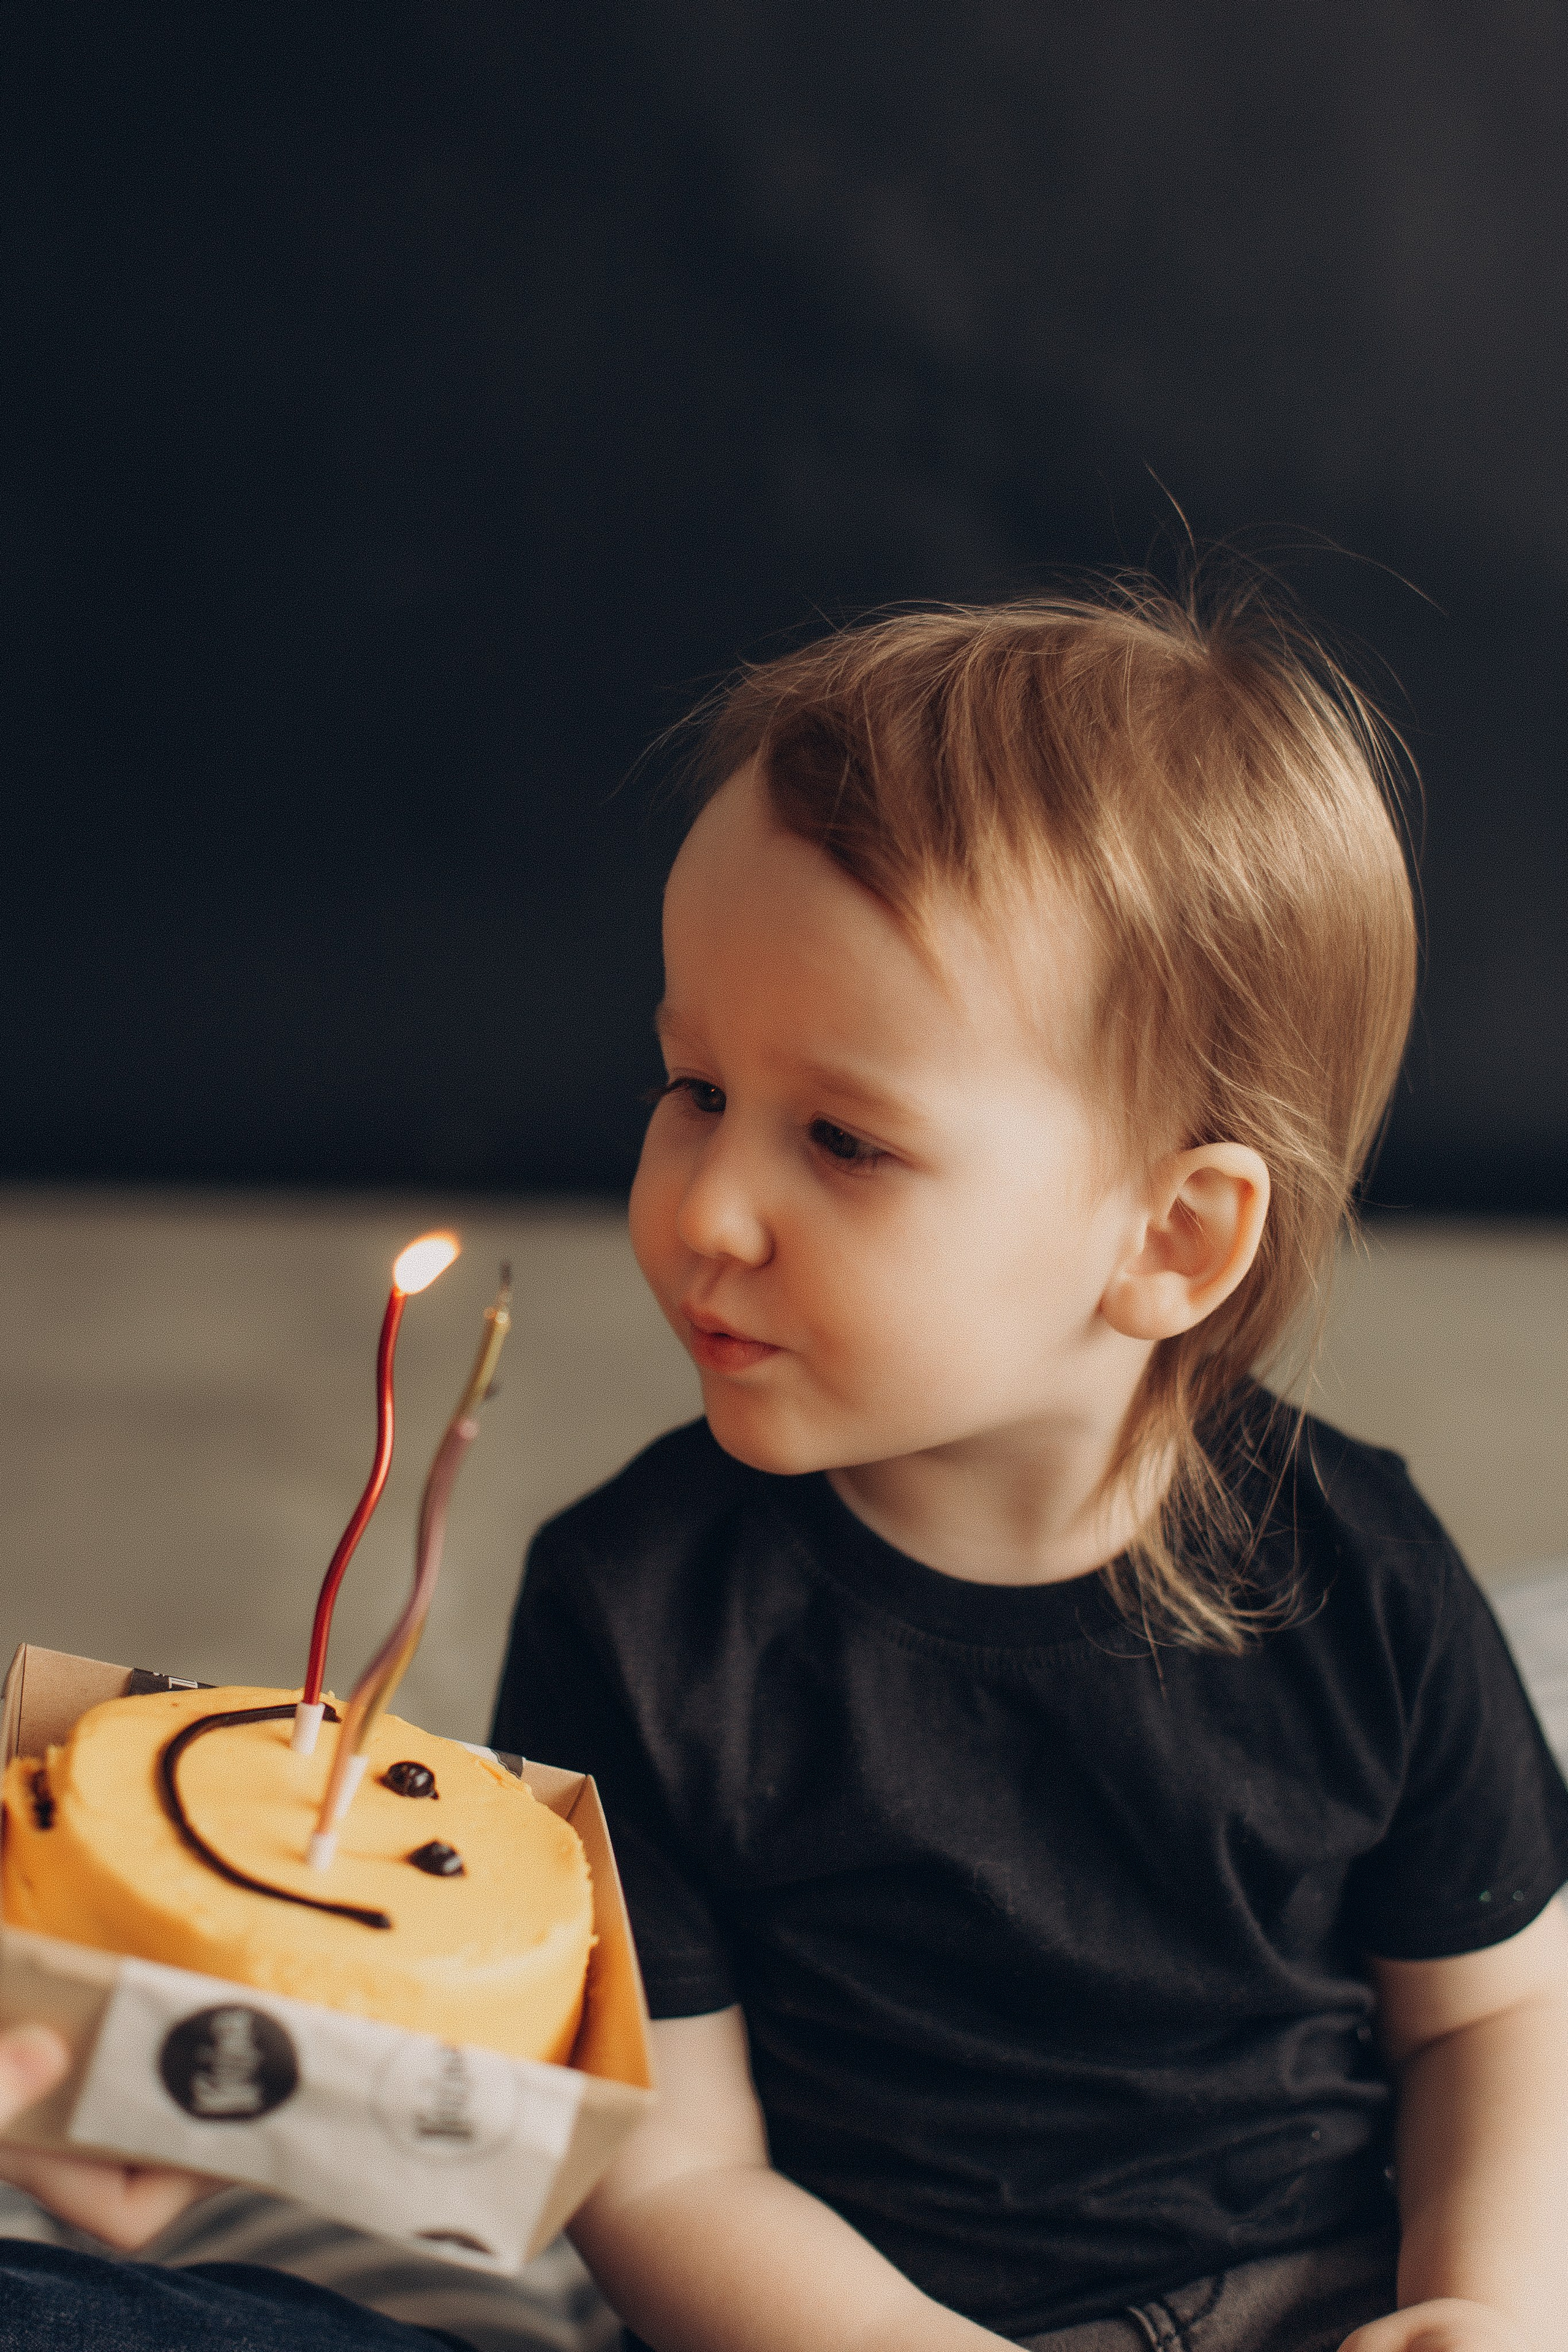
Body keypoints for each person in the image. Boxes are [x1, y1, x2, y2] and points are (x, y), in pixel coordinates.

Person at [490, 586, 1568, 2352]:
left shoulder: (1354, 1568)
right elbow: (661, 2172)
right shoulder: (633, 1613)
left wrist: (1490, 2303)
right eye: (691, 1089)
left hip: (1327, 2288)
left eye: (843, 1139)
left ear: (1171, 1236)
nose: (706, 1209)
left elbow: (1495, 2019)